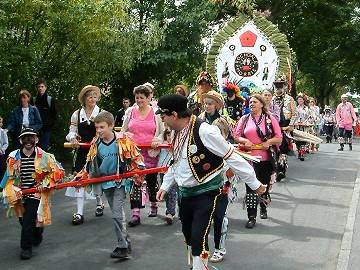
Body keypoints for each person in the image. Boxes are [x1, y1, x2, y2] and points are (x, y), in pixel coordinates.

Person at [155, 94, 266, 270]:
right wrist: (165, 185)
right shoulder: (176, 133)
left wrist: (255, 185)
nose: (162, 119)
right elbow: (176, 163)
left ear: (174, 115)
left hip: (207, 192)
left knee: (199, 237)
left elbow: (233, 157)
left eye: (163, 116)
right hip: (186, 194)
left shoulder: (205, 131)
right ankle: (198, 264)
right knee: (189, 235)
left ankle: (200, 266)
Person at [78, 111, 145, 259]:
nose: (99, 130)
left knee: (116, 213)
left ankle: (122, 247)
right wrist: (82, 176)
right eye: (97, 128)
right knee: (117, 215)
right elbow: (89, 164)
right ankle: (126, 241)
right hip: (105, 182)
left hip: (120, 182)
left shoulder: (122, 141)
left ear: (111, 126)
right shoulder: (96, 144)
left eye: (102, 127)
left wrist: (138, 170)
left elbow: (135, 157)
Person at [0, 127, 64, 260]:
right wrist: (3, 188)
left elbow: (58, 172)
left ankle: (25, 248)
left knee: (29, 218)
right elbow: (8, 175)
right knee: (23, 220)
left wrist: (44, 183)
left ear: (36, 139)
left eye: (31, 137)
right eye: (25, 137)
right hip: (19, 194)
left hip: (36, 193)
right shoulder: (13, 157)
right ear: (20, 140)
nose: (28, 140)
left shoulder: (45, 156)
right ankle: (37, 232)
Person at [234, 94, 282, 228]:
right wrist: (245, 141)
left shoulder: (270, 119)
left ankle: (263, 206)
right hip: (249, 159)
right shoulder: (244, 119)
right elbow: (236, 136)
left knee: (263, 186)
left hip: (265, 159)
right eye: (250, 102)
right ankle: (251, 217)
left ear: (261, 104)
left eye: (255, 102)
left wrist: (269, 142)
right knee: (250, 187)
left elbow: (279, 138)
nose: (251, 104)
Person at [122, 85, 164, 226]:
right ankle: (136, 213)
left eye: (142, 97)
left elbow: (162, 132)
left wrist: (157, 140)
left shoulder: (156, 113)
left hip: (150, 153)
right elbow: (124, 130)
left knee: (151, 181)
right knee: (136, 182)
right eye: (137, 97)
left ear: (148, 98)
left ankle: (153, 204)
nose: (139, 100)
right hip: (135, 154)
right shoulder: (130, 112)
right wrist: (126, 138)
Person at [199, 90, 232, 263]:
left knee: (220, 217)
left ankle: (220, 248)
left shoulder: (223, 122)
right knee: (204, 218)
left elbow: (232, 159)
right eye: (206, 103)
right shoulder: (199, 121)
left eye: (211, 103)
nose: (208, 106)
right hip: (203, 182)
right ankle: (202, 251)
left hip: (223, 185)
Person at [65, 85, 105, 225]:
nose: (93, 99)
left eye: (95, 96)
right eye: (90, 96)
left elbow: (107, 132)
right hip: (82, 151)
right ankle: (79, 212)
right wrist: (73, 138)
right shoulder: (77, 114)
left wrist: (98, 138)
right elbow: (71, 132)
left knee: (97, 177)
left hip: (98, 150)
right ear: (84, 99)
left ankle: (99, 203)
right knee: (79, 179)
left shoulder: (101, 113)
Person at [270, 77, 297, 181]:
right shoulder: (271, 99)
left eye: (280, 85)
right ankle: (276, 168)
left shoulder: (289, 99)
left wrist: (291, 125)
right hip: (274, 127)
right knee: (275, 149)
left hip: (285, 128)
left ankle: (281, 170)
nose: (278, 88)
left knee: (283, 149)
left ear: (284, 87)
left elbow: (295, 114)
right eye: (277, 85)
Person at [158, 128, 177, 225]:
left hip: (173, 171)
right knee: (165, 192)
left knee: (172, 192)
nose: (170, 137)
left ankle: (170, 212)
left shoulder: (176, 143)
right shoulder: (162, 143)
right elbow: (155, 142)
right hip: (162, 170)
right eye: (168, 135)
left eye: (171, 135)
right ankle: (169, 209)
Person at [33, 79, 57, 151]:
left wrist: (50, 125)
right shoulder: (34, 100)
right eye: (39, 87)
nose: (40, 88)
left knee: (44, 149)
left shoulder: (50, 100)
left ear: (45, 88)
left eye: (42, 86)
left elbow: (54, 114)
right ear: (37, 88)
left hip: (46, 129)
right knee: (35, 149)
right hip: (35, 129)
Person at [294, 93, 312, 160]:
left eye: (301, 99)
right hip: (297, 126)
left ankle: (302, 153)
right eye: (298, 100)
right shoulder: (295, 108)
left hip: (304, 126)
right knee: (297, 140)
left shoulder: (307, 108)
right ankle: (299, 151)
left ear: (303, 100)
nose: (300, 101)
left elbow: (310, 117)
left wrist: (307, 122)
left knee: (303, 140)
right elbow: (293, 116)